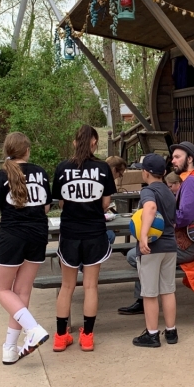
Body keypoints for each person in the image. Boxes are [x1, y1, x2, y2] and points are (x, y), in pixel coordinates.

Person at [118, 141, 194, 315]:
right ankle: (147, 295)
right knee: (144, 250)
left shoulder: (191, 181)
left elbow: (186, 215)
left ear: (189, 159)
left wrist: (166, 222)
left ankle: (145, 299)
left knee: (136, 255)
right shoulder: (190, 179)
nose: (173, 161)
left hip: (188, 246)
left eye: (177, 157)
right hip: (183, 242)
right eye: (173, 157)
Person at [0, 132, 51, 365]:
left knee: (0, 288)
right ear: (27, 150)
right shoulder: (41, 173)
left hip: (12, 236)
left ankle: (32, 329)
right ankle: (10, 348)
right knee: (21, 291)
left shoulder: (0, 176)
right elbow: (45, 206)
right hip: (39, 235)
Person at [51, 124, 117, 352]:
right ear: (94, 143)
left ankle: (60, 336)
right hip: (94, 232)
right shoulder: (103, 168)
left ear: (74, 142)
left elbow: (60, 203)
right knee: (90, 286)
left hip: (70, 232)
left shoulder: (62, 168)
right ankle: (87, 336)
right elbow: (106, 203)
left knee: (66, 286)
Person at [131, 154, 178, 348]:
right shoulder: (169, 191)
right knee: (168, 290)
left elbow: (150, 208)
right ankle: (171, 331)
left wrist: (143, 236)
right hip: (170, 246)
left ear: (146, 173)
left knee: (149, 293)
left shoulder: (148, 191)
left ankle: (152, 334)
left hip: (152, 248)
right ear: (164, 172)